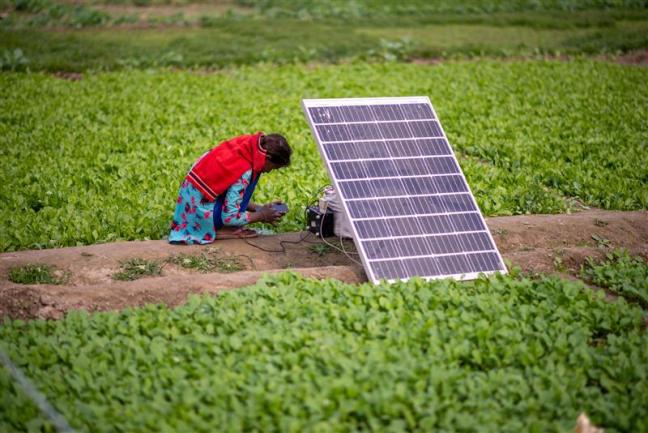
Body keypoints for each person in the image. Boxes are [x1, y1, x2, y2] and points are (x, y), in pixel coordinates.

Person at [169, 132, 291, 244]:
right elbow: (229, 217)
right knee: (250, 178)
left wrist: (259, 209)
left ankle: (209, 225)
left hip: (189, 207)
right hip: (199, 214)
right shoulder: (245, 170)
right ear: (268, 158)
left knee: (250, 178)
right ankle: (221, 230)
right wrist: (262, 216)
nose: (269, 171)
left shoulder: (248, 146)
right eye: (273, 167)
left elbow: (228, 193)